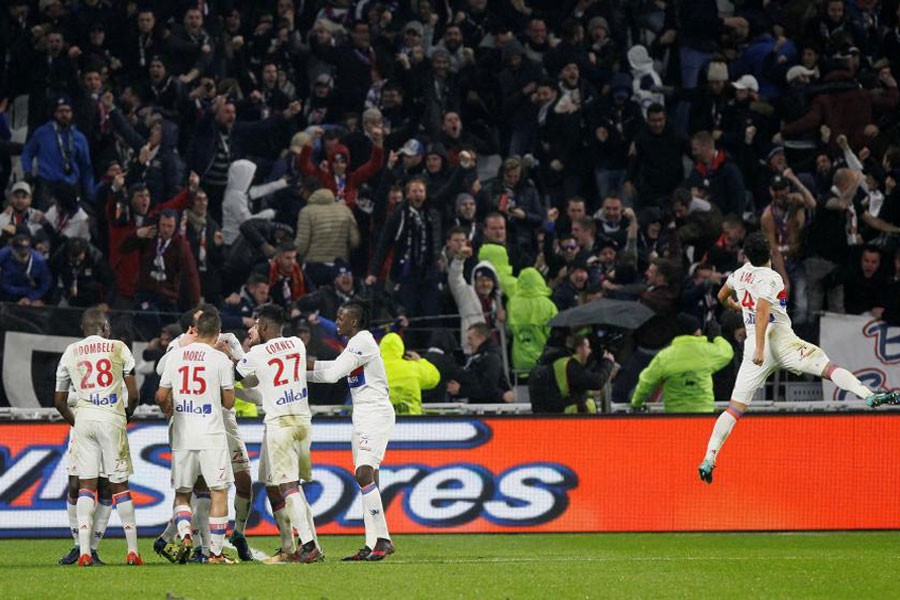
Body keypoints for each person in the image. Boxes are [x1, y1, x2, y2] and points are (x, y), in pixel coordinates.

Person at [698, 232, 899, 484]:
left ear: (747, 255)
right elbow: (762, 310)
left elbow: (721, 297)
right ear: (769, 254)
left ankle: (709, 457)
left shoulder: (738, 275)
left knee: (734, 408)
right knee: (828, 366)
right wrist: (762, 347)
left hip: (752, 351)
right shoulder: (771, 277)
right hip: (782, 344)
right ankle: (868, 395)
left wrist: (736, 307)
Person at [153, 305, 255, 562]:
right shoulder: (180, 346)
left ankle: (175, 535)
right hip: (211, 429)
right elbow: (231, 399)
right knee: (212, 489)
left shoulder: (227, 343)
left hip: (200, 428)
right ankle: (207, 549)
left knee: (202, 488)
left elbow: (251, 379)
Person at [307, 300, 396, 561]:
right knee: (369, 479)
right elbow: (331, 368)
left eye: (340, 317)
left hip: (375, 413)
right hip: (362, 414)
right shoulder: (354, 346)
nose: (337, 321)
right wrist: (299, 370)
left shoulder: (363, 341)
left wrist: (299, 369)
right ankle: (372, 543)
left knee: (363, 473)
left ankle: (383, 539)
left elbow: (332, 374)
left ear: (354, 321)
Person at [53, 307, 142, 567]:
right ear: (106, 328)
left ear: (84, 329)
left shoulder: (71, 351)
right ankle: (133, 551)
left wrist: (77, 422)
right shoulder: (119, 347)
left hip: (84, 421)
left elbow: (58, 400)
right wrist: (125, 416)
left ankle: (84, 552)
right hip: (111, 419)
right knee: (119, 486)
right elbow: (134, 394)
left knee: (85, 486)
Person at [237, 304, 322, 564]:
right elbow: (255, 384)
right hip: (302, 421)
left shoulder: (258, 352)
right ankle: (299, 545)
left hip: (280, 424)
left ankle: (307, 546)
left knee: (287, 486)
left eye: (254, 325)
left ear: (263, 326)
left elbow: (233, 375)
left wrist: (235, 350)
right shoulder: (297, 343)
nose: (251, 329)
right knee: (282, 486)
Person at [630, 313, 734, 413]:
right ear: (696, 331)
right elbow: (727, 353)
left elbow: (646, 381)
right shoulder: (707, 352)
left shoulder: (665, 356)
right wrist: (717, 337)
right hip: (703, 415)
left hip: (675, 417)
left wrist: (636, 403)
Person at [529, 333, 616, 414]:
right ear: (579, 349)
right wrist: (607, 362)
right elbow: (596, 382)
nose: (590, 351)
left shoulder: (559, 362)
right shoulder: (570, 365)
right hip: (572, 417)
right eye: (588, 347)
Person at [447, 323, 514, 404]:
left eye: (470, 339)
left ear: (481, 338)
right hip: (481, 407)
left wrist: (461, 390)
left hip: (491, 409)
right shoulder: (478, 357)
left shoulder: (491, 358)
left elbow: (488, 388)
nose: (468, 343)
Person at [379, 332, 440, 415]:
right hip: (411, 421)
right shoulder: (413, 368)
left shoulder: (371, 370)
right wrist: (420, 361)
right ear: (401, 348)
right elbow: (434, 378)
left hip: (380, 421)